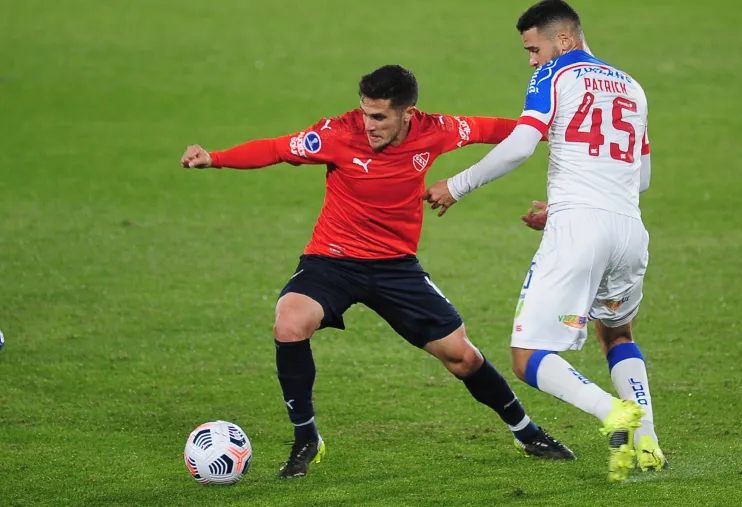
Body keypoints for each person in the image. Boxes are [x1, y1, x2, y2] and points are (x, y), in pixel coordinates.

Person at [180, 64, 576, 480]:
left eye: (380, 117)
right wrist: (215, 159)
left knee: (461, 356)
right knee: (289, 321)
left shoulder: (435, 129)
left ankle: (527, 432)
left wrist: (549, 131)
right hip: (332, 259)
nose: (369, 125)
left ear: (408, 113)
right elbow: (277, 149)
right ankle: (305, 438)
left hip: (395, 267)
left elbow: (491, 129)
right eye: (366, 113)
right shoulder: (336, 133)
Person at [423, 0, 666, 482]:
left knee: (527, 355)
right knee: (616, 332)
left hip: (579, 231)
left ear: (564, 40)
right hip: (629, 231)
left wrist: (457, 184)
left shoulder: (555, 76)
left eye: (534, 48)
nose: (532, 60)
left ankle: (612, 412)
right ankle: (649, 442)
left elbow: (520, 144)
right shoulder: (633, 87)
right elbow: (640, 178)